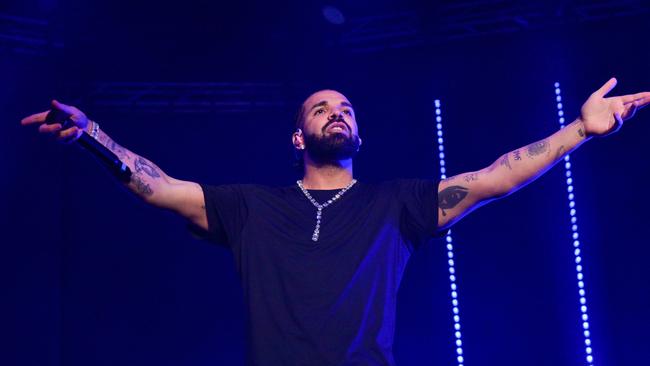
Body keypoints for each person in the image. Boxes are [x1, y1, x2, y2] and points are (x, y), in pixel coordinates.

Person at [20, 79, 649, 365]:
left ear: (359, 131)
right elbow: (159, 188)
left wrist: (580, 130)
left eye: (345, 108)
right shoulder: (251, 208)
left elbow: (498, 175)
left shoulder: (396, 203)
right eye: (321, 108)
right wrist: (92, 135)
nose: (336, 113)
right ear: (299, 136)